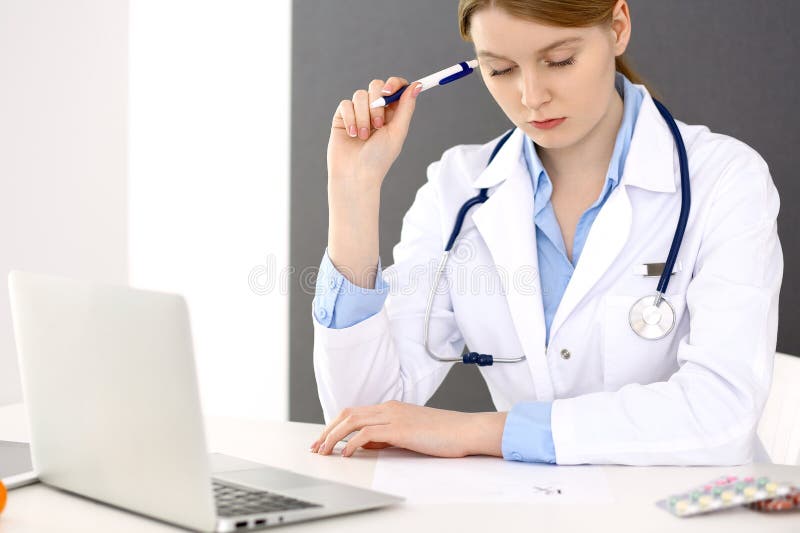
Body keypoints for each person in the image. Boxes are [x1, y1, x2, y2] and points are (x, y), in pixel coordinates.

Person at [308, 0, 783, 465]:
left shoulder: (724, 179)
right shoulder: (456, 189)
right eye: (500, 70)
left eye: (559, 60)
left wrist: (479, 431)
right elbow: (361, 423)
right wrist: (353, 192)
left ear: (617, 27)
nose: (531, 97)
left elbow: (721, 412)